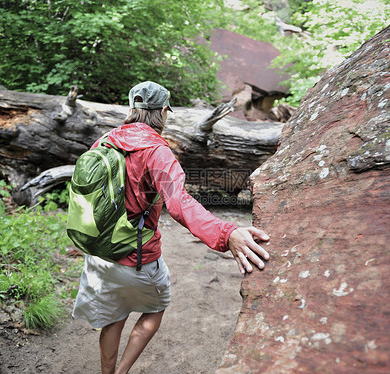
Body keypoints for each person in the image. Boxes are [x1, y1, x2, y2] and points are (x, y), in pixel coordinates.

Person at [72, 81, 270, 374]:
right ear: (163, 111)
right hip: (136, 258)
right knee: (154, 308)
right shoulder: (157, 153)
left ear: (132, 108)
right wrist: (226, 233)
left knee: (115, 316)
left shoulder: (104, 142)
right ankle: (122, 372)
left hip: (100, 253)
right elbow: (179, 202)